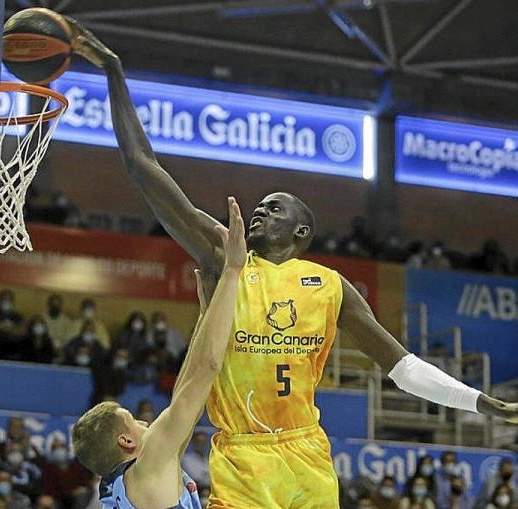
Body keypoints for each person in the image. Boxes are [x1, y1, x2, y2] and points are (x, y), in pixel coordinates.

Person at [67, 19, 518, 508]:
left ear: (302, 232)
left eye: (275, 207)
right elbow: (144, 169)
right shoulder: (224, 255)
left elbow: (403, 367)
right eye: (260, 205)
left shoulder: (331, 286)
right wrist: (114, 73)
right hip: (243, 453)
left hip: (306, 451)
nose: (260, 210)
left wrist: (476, 400)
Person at [70, 196, 246, 508]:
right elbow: (207, 367)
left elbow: (185, 391)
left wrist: (207, 315)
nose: (144, 422)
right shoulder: (150, 462)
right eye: (133, 420)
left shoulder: (127, 483)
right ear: (127, 442)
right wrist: (233, 271)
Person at [41, 438, 94, 509]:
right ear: (52, 451)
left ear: (66, 449)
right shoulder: (48, 470)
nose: (59, 450)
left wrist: (84, 488)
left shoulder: (74, 467)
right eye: (55, 448)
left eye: (61, 447)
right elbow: (51, 492)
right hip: (60, 501)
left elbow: (86, 484)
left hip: (79, 499)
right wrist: (71, 492)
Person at [43, 293, 74, 359]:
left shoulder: (67, 321)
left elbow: (69, 339)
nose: (55, 306)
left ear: (60, 306)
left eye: (57, 305)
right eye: (53, 304)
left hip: (62, 350)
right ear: (48, 305)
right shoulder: (42, 318)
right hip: (45, 348)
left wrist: (60, 347)